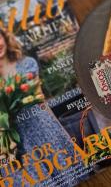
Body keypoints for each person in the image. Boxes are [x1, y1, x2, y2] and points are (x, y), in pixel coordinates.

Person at [0, 28, 88, 186]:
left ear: (4, 37)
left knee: (70, 175)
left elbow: (42, 102)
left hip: (44, 128)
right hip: (20, 141)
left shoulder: (26, 64)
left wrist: (63, 133)